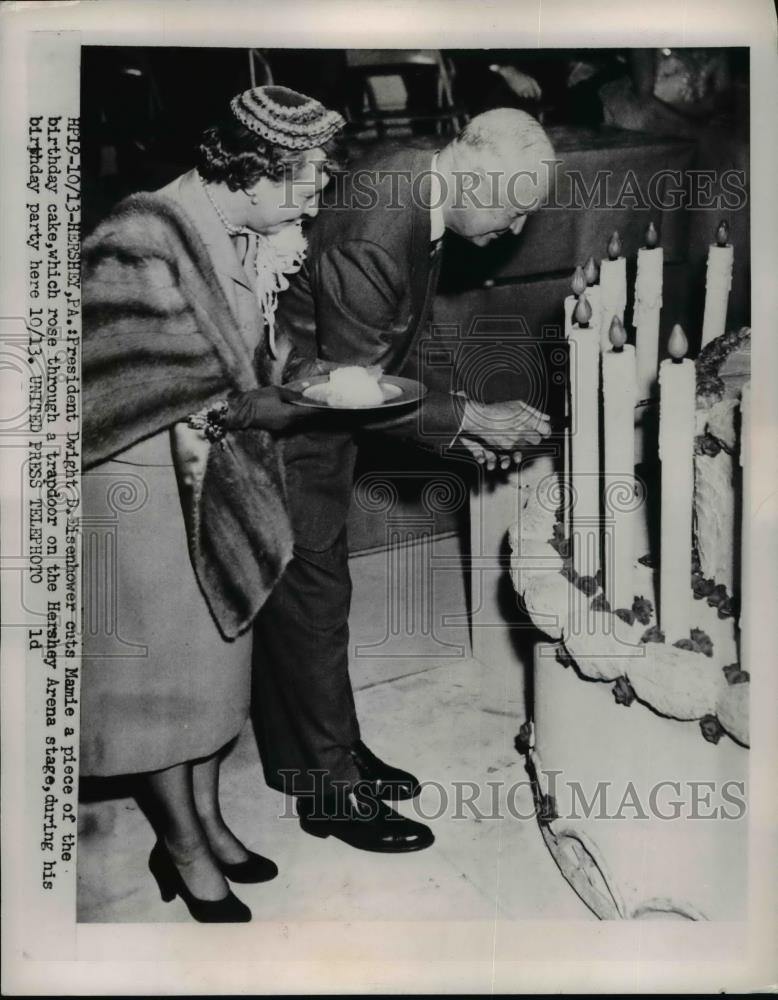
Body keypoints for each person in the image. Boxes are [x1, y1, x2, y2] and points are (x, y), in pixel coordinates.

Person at [249, 108, 555, 852]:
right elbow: (357, 389)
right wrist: (469, 422)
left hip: (310, 402)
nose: (515, 232)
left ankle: (312, 759)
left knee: (300, 600)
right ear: (477, 174)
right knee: (314, 601)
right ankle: (329, 792)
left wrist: (464, 423)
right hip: (284, 427)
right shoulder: (381, 228)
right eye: (514, 211)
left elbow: (388, 348)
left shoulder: (422, 177)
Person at [80, 86, 345, 922]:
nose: (316, 194)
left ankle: (205, 823)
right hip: (142, 484)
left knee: (214, 666)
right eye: (302, 178)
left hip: (212, 471)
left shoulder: (239, 225)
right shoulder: (141, 231)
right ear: (252, 171)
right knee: (163, 682)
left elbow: (247, 361)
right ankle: (185, 847)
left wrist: (276, 372)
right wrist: (251, 397)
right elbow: (114, 376)